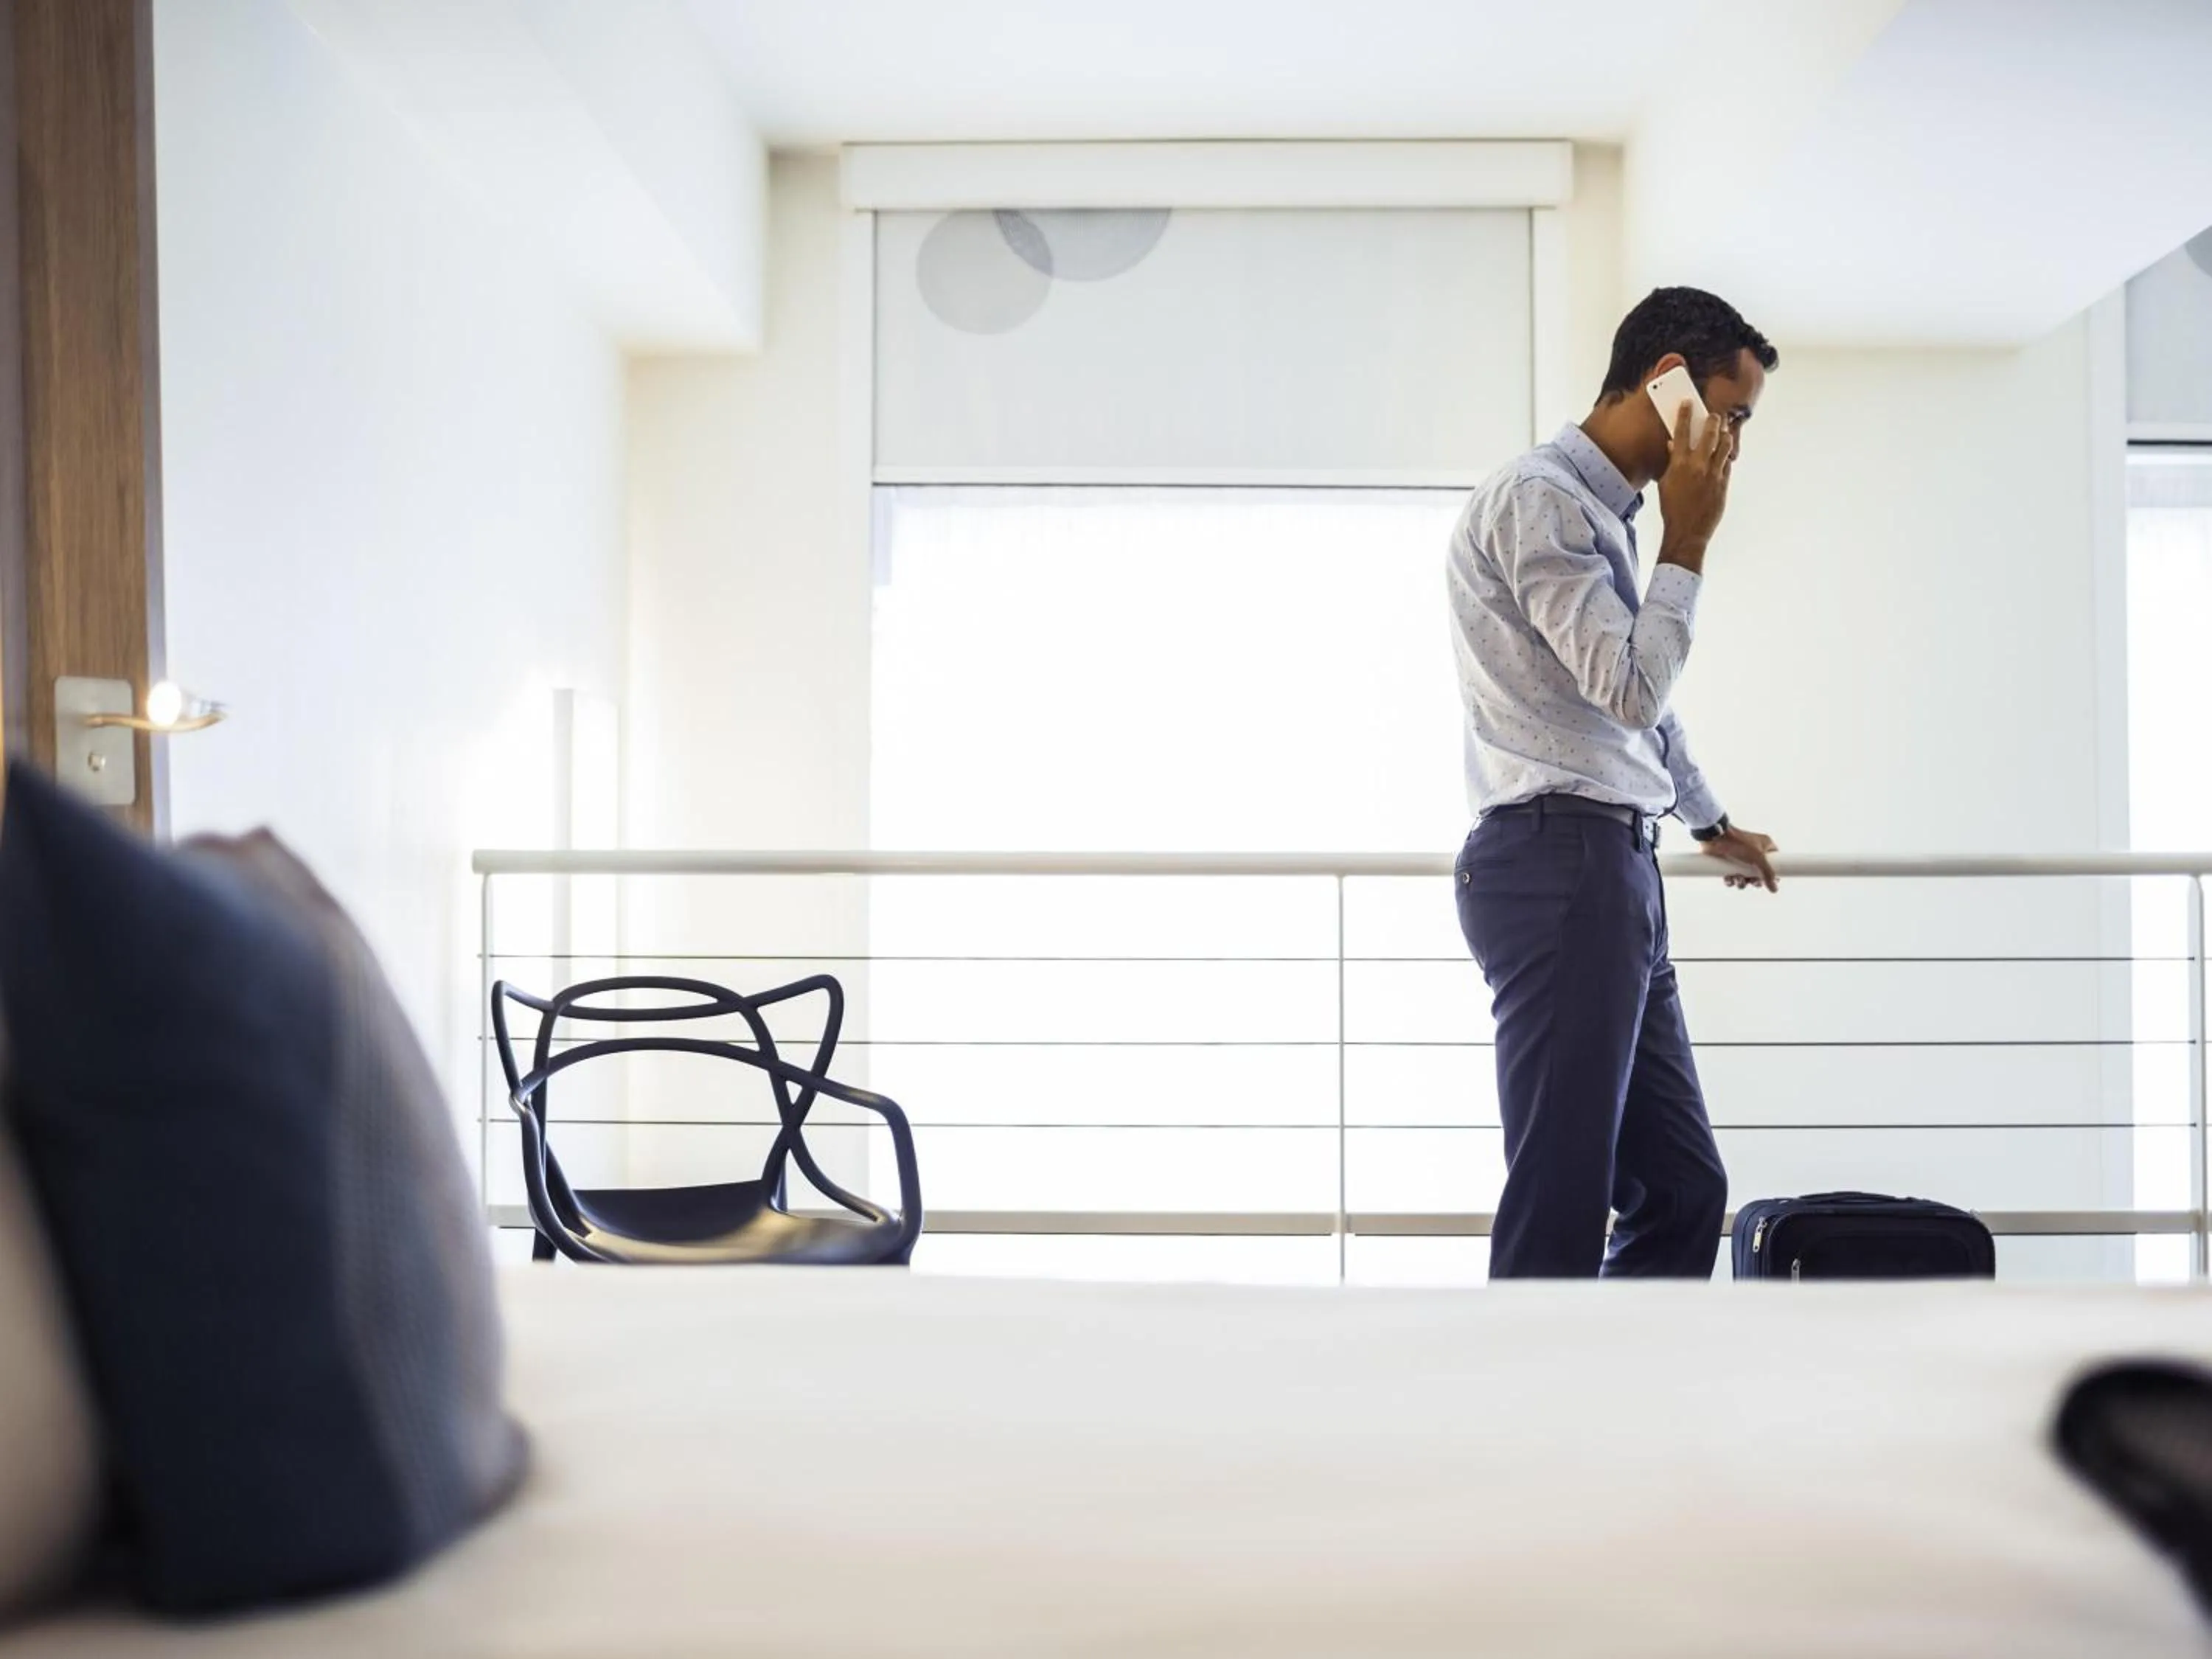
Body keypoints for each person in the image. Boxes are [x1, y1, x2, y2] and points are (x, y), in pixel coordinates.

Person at [1445, 286, 1781, 1279]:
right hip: (1563, 865)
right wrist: (1691, 540)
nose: (1732, 444)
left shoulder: (1601, 513)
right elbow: (1629, 687)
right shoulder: (1541, 500)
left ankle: (1615, 1371)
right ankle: (1531, 1380)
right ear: (1667, 380)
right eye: (1731, 413)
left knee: (1682, 1189)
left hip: (1610, 866)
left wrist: (1708, 819)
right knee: (1562, 1191)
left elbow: (1632, 712)